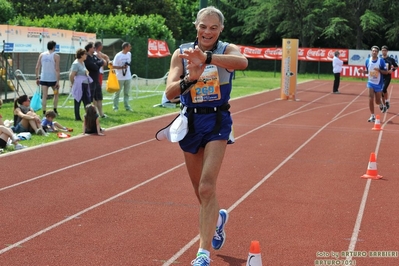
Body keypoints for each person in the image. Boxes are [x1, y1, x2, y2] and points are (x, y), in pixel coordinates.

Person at [164, 6, 248, 266]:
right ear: (196, 26)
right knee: (200, 192)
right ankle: (218, 220)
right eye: (203, 26)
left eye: (213, 27)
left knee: (207, 186)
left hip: (217, 120)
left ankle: (203, 254)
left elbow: (242, 62)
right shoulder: (181, 53)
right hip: (190, 121)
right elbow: (170, 92)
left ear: (221, 29)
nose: (208, 31)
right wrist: (192, 77)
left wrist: (207, 58)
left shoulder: (226, 50)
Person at [358, 46, 388, 122]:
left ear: (378, 53)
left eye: (376, 51)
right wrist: (362, 72)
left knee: (377, 101)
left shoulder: (381, 61)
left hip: (378, 83)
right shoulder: (367, 60)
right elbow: (368, 71)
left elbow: (386, 72)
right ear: (371, 52)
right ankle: (372, 116)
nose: (374, 52)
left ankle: (381, 104)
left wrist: (379, 70)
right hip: (370, 82)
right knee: (370, 98)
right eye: (373, 51)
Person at [35, 40, 61, 116]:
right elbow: (57, 69)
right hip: (52, 79)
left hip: (43, 78)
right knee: (56, 94)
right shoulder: (56, 56)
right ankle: (55, 110)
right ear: (53, 47)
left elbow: (37, 67)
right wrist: (57, 81)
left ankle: (44, 111)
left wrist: (37, 78)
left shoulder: (42, 55)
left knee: (44, 96)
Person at [84, 42, 107, 117]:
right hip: (90, 80)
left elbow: (103, 62)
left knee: (99, 97)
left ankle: (101, 114)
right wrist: (98, 64)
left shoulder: (94, 56)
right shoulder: (86, 57)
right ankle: (92, 114)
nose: (94, 49)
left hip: (96, 80)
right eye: (93, 47)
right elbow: (94, 67)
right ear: (89, 48)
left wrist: (98, 62)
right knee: (91, 99)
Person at [70, 48, 93, 121]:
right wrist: (73, 83)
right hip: (79, 85)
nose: (86, 55)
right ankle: (77, 117)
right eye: (85, 54)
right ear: (81, 55)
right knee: (78, 100)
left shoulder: (82, 63)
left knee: (87, 101)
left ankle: (89, 116)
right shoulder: (76, 63)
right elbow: (72, 75)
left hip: (85, 84)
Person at [112, 42, 133, 112]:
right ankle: (115, 107)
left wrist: (126, 66)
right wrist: (122, 67)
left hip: (128, 76)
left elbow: (129, 63)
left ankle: (127, 107)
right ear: (125, 47)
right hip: (120, 77)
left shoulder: (129, 54)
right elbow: (113, 66)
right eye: (129, 46)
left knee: (126, 93)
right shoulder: (118, 55)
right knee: (117, 93)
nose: (130, 48)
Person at [380, 45, 398, 110]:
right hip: (381, 77)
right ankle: (386, 102)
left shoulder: (390, 59)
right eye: (382, 50)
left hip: (387, 77)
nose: (383, 52)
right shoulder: (379, 59)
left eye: (385, 50)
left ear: (387, 51)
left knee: (383, 90)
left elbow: (396, 66)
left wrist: (391, 70)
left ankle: (384, 104)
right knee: (383, 90)